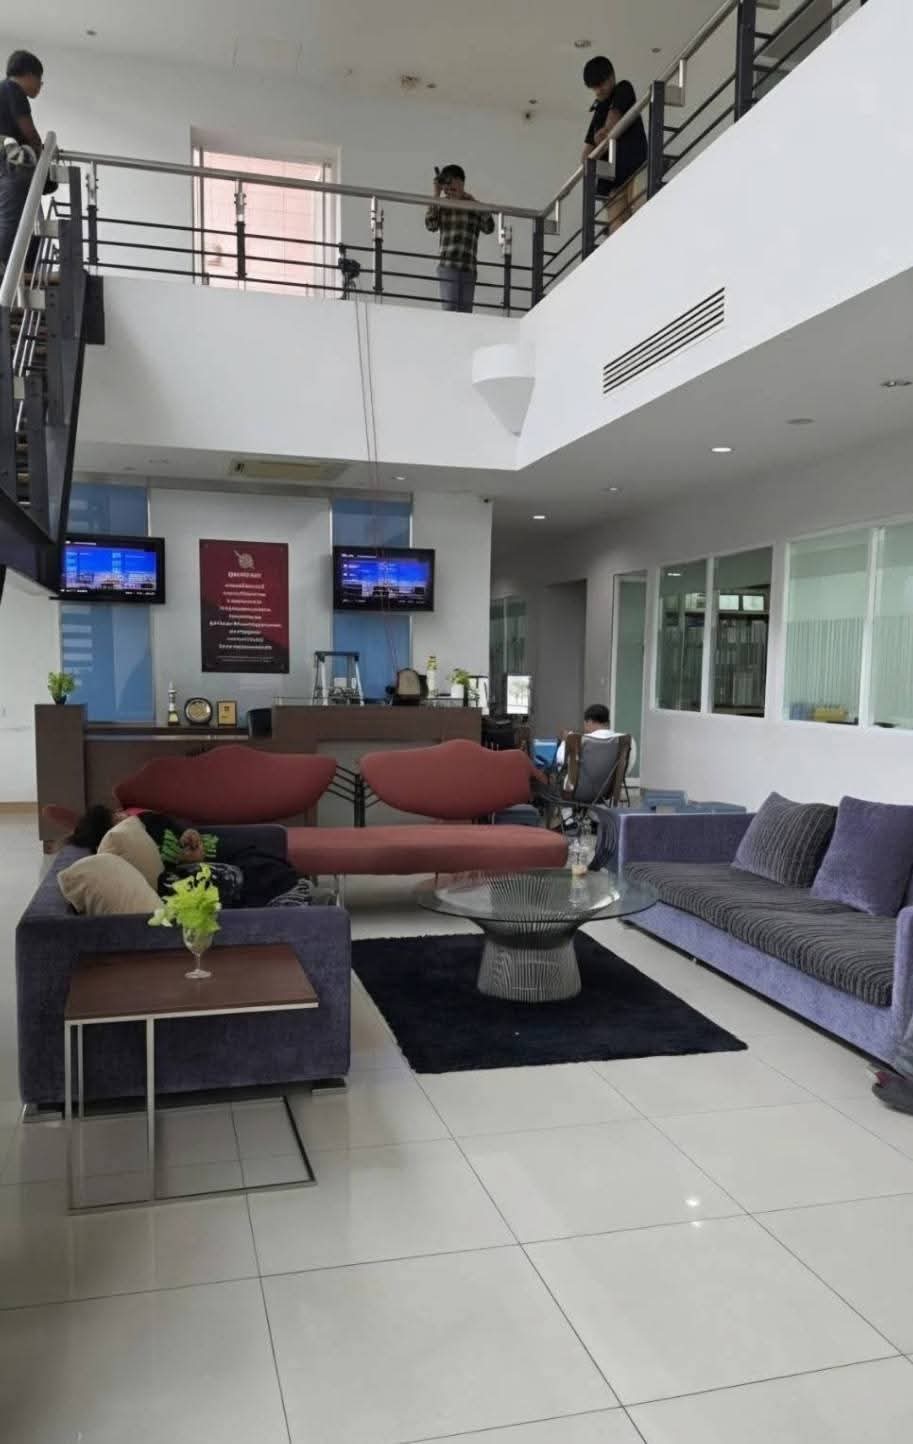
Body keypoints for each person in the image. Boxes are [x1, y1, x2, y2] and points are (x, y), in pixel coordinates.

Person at [581, 55, 647, 234]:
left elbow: (612, 124)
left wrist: (601, 137)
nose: (598, 91)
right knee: (618, 229)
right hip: (613, 181)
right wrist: (599, 139)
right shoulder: (599, 109)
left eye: (600, 84)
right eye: (594, 87)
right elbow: (585, 155)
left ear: (611, 76)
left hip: (635, 168)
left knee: (642, 212)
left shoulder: (623, 88)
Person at [425, 164, 494, 314]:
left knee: (465, 314)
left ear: (461, 182)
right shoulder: (442, 204)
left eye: (451, 182)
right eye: (446, 184)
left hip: (469, 268)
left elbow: (489, 228)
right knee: (450, 311)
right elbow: (431, 225)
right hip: (448, 265)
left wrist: (475, 204)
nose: (449, 188)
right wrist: (436, 195)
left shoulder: (473, 205)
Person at [0, 50, 45, 270]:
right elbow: (28, 131)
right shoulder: (13, 90)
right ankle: (5, 267)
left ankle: (16, 267)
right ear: (28, 75)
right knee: (13, 219)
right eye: (39, 80)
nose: (40, 86)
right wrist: (42, 152)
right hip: (9, 166)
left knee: (15, 218)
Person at [555, 703, 637, 773]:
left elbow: (561, 761)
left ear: (589, 722)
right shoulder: (626, 740)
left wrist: (565, 742)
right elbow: (628, 766)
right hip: (613, 786)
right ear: (608, 722)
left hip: (584, 786)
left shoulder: (580, 740)